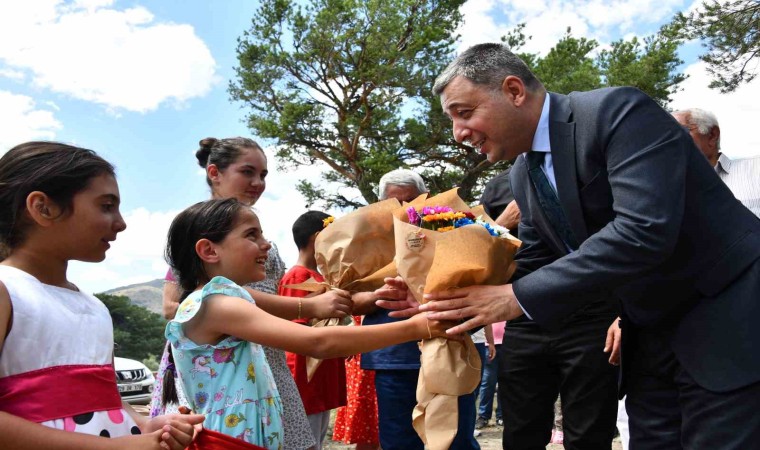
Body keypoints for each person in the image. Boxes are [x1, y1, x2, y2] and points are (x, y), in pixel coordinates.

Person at [411, 43, 760, 449]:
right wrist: (442, 292)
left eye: (464, 112)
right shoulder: (524, 173)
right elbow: (536, 259)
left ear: (514, 91)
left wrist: (513, 298)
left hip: (725, 314)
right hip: (647, 332)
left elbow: (643, 229)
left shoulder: (616, 112)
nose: (459, 133)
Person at [161, 198, 453, 448]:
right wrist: (418, 326)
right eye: (251, 235)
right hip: (229, 442)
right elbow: (318, 342)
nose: (266, 244)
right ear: (209, 250)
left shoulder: (224, 300)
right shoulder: (215, 304)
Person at [149, 137, 354, 450]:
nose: (258, 182)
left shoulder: (254, 239)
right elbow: (173, 304)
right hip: (221, 371)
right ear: (215, 173)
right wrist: (308, 307)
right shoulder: (198, 233)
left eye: (263, 174)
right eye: (247, 172)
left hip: (266, 361)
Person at [0, 141, 204, 450]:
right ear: (43, 208)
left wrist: (145, 427)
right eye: (106, 206)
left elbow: (108, 400)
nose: (121, 223)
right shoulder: (8, 290)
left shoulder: (94, 307)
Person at [362, 168, 481, 450]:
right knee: (399, 441)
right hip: (393, 357)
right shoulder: (363, 241)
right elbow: (346, 295)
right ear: (380, 204)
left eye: (413, 200)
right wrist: (380, 293)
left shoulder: (450, 229)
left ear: (426, 199)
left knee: (456, 438)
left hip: (447, 348)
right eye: (395, 202)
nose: (405, 208)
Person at [278, 211, 347, 450]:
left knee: (316, 436)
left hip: (318, 372)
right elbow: (294, 327)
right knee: (307, 439)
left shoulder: (318, 277)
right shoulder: (298, 276)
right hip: (306, 374)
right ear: (317, 238)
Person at [673, 108, 760, 216]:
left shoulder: (756, 168)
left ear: (712, 135)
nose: (670, 140)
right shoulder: (667, 187)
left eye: (679, 131)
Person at [475, 321, 505, 430]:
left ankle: (502, 415)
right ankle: (483, 416)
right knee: (487, 382)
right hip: (488, 344)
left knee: (505, 381)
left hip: (508, 342)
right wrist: (490, 341)